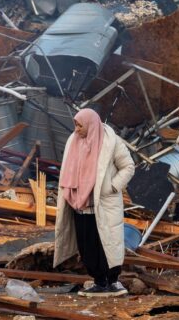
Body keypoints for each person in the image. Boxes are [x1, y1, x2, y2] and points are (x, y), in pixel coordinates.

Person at [53, 108, 135, 297]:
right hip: (79, 205)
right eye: (75, 124)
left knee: (107, 244)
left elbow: (128, 167)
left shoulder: (111, 141)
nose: (76, 129)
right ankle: (99, 281)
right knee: (87, 245)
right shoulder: (73, 141)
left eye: (79, 125)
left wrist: (113, 186)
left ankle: (113, 281)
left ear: (90, 125)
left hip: (103, 205)